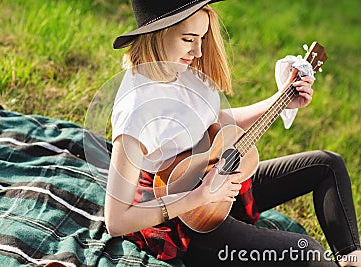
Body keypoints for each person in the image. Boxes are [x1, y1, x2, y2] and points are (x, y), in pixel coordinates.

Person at [104, 0, 361, 266]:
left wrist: (281, 99)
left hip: (215, 183)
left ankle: (353, 260)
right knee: (307, 253)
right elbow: (116, 220)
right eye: (188, 39)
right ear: (156, 34)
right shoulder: (137, 111)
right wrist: (200, 196)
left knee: (327, 164)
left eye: (202, 38)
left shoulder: (178, 69)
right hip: (188, 221)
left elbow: (212, 121)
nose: (199, 50)